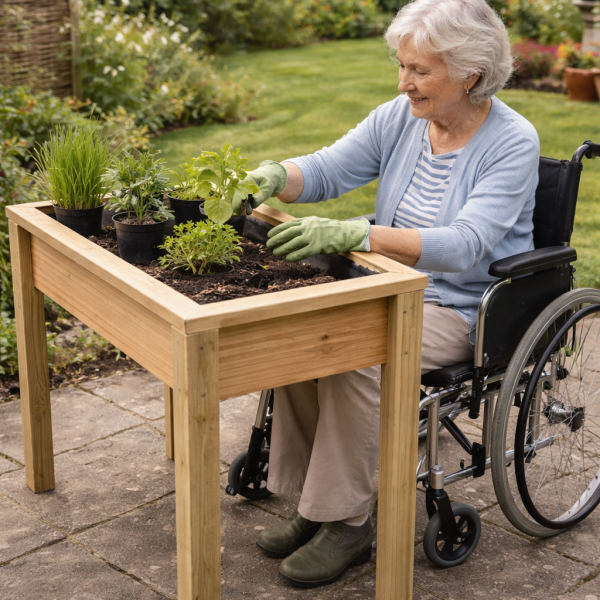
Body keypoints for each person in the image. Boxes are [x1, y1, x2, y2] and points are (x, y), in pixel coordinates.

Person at [237, 0, 539, 588]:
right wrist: (277, 174)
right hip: (383, 283)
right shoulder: (401, 117)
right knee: (300, 331)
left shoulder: (512, 141)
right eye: (402, 66)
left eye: (419, 70)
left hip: (456, 306)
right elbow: (327, 169)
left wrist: (360, 232)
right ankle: (314, 507)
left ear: (470, 73)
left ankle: (349, 524)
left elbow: (465, 245)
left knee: (353, 350)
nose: (404, 83)